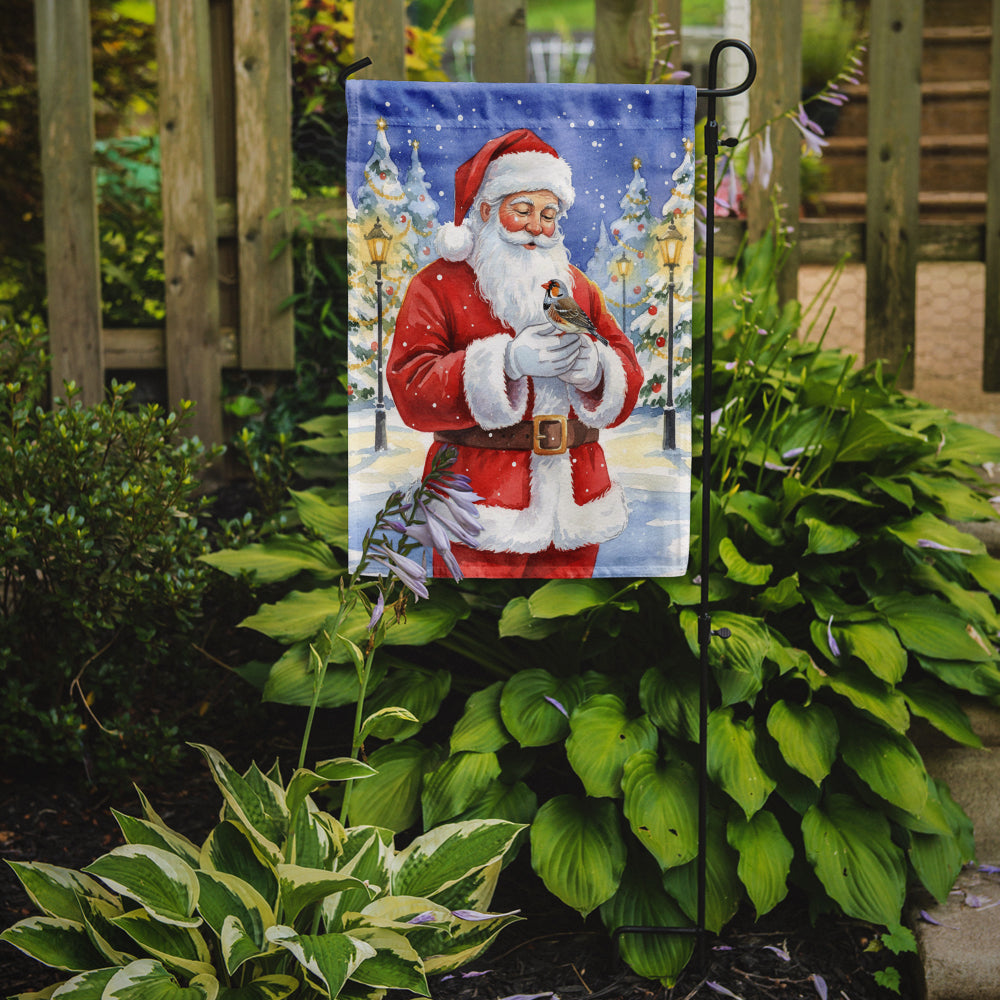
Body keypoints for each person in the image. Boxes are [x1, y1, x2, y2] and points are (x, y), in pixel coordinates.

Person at [387, 128, 643, 578]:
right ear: (485, 210)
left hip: (579, 498)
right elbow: (410, 388)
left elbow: (623, 361)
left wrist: (597, 371)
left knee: (571, 620)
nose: (537, 227)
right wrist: (503, 363)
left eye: (549, 214)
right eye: (522, 210)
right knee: (473, 623)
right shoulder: (438, 284)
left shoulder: (576, 285)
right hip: (479, 499)